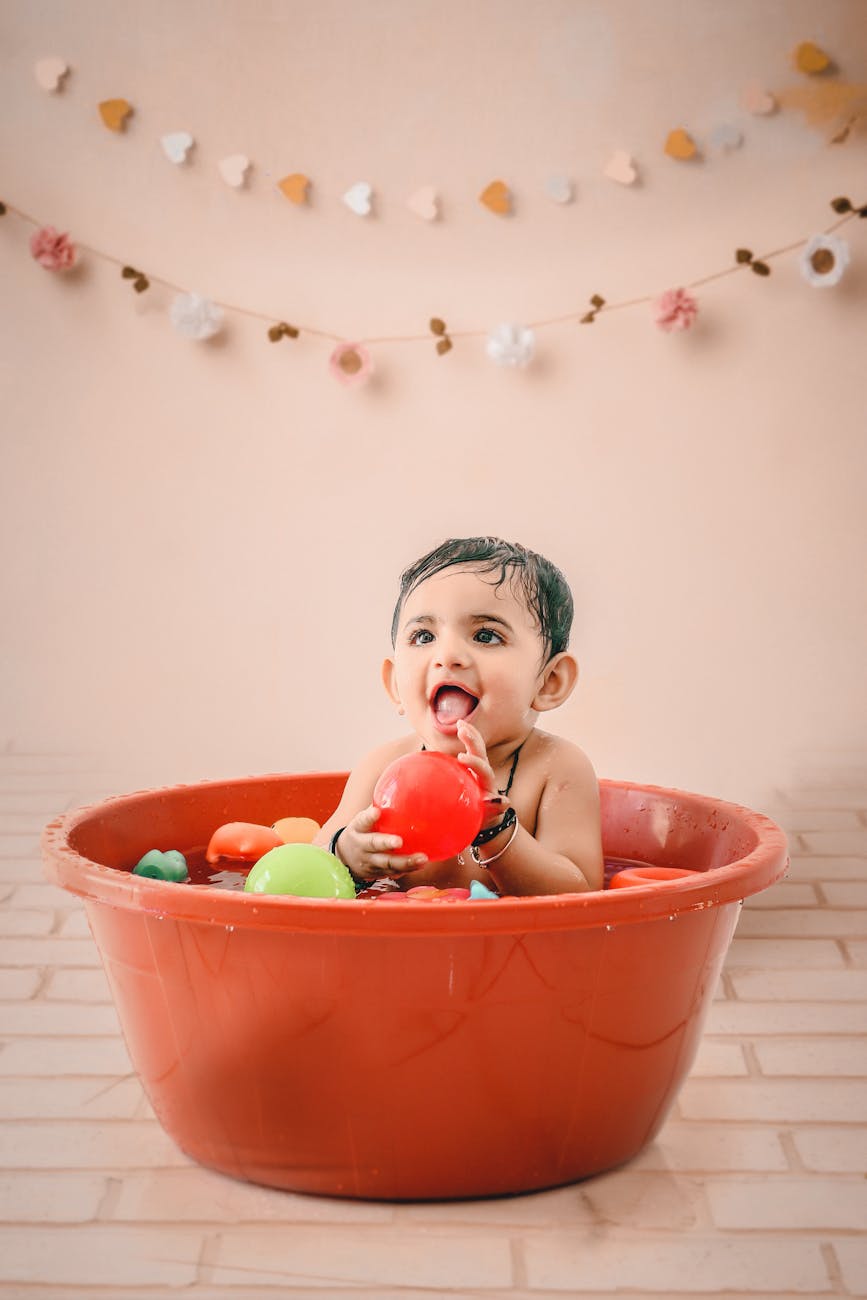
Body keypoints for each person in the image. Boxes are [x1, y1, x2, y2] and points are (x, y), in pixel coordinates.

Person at [315, 537, 604, 895]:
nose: (447, 655)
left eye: (486, 635)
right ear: (394, 684)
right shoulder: (383, 770)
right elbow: (312, 869)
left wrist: (497, 831)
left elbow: (581, 892)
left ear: (549, 682)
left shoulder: (556, 769)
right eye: (423, 636)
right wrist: (347, 855)